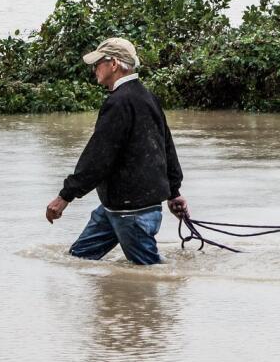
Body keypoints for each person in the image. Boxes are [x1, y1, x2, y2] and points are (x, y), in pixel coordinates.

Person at [45, 37, 188, 265]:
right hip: (115, 208)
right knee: (76, 260)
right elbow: (165, 145)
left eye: (98, 63)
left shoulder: (119, 102)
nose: (94, 69)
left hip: (131, 213)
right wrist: (173, 192)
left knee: (149, 274)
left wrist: (65, 197)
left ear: (114, 65)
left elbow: (98, 157)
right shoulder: (147, 97)